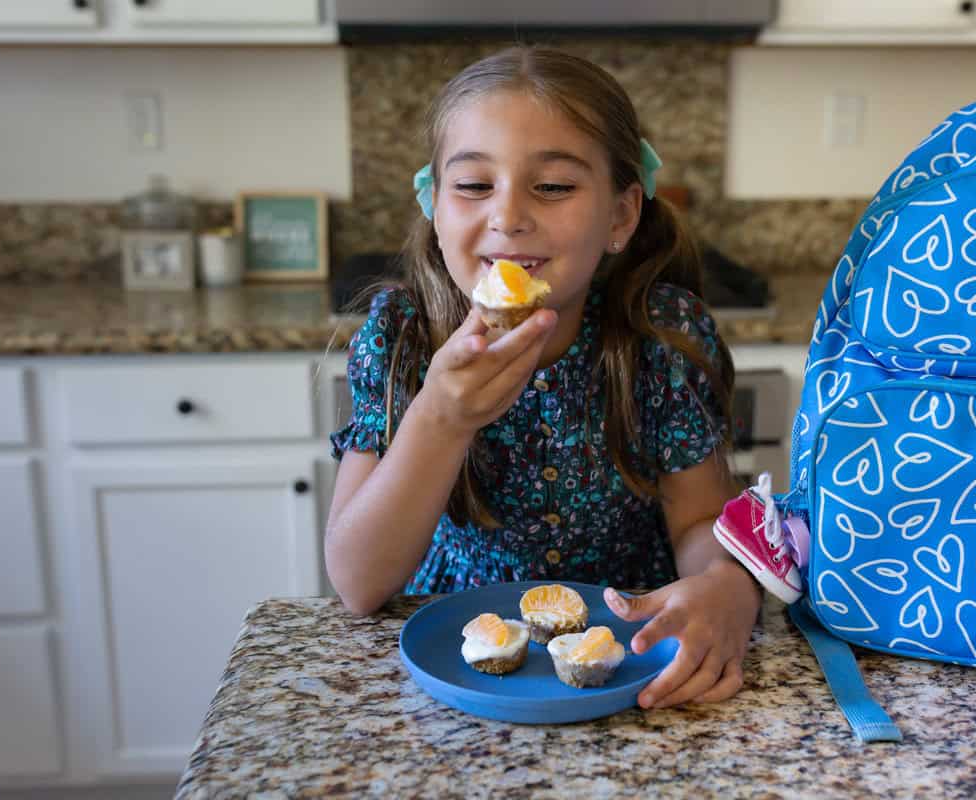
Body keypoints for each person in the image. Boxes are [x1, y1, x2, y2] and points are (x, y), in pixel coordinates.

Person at [326, 45, 765, 709]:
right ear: (435, 207)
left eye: (554, 186)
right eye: (474, 186)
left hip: (630, 667)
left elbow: (700, 524)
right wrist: (440, 418)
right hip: (458, 671)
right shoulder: (401, 338)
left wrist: (729, 583)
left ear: (620, 216)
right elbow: (357, 584)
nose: (507, 216)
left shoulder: (660, 338)